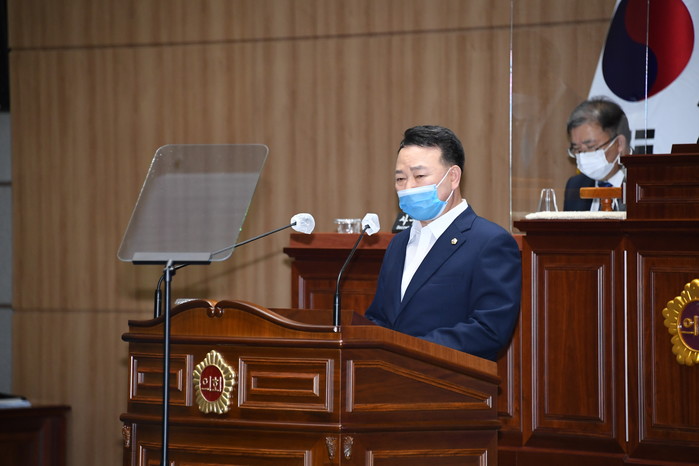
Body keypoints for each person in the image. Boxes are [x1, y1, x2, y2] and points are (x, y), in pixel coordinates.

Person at [365, 125, 522, 361]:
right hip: (392, 376)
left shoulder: (490, 242)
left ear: (453, 177)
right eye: (400, 179)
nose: (408, 187)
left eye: (419, 176)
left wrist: (408, 350)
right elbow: (380, 317)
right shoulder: (399, 243)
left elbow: (489, 329)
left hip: (449, 378)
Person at [564, 97, 632, 211]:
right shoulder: (576, 185)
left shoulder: (647, 185)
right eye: (577, 149)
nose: (584, 155)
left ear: (619, 143)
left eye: (591, 147)